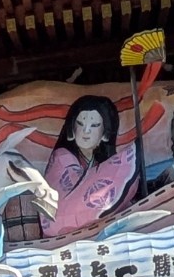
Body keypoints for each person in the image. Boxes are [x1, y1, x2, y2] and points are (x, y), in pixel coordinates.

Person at [40, 94, 139, 237]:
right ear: (71, 129)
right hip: (61, 233)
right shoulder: (61, 157)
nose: (86, 131)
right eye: (80, 124)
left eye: (94, 125)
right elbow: (67, 198)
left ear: (105, 133)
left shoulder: (105, 162)